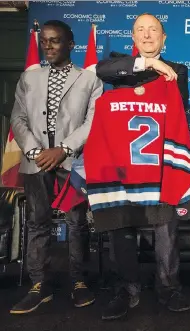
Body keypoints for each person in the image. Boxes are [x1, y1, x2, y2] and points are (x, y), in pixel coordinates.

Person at [95, 13, 190, 320]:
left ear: (164, 39)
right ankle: (127, 290)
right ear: (133, 39)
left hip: (158, 166)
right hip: (121, 167)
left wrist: (159, 69)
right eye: (141, 31)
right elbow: (101, 70)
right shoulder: (119, 64)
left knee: (166, 231)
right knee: (120, 227)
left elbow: (177, 110)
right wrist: (148, 64)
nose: (147, 35)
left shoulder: (177, 71)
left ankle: (168, 288)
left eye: (154, 31)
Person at [9, 20, 102, 314]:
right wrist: (37, 151)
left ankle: (78, 282)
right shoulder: (29, 78)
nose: (48, 46)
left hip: (73, 161)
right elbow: (18, 119)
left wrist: (62, 149)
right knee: (37, 222)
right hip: (36, 161)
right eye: (45, 41)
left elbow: (92, 122)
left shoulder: (89, 80)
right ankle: (39, 285)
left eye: (55, 41)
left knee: (77, 223)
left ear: (71, 44)